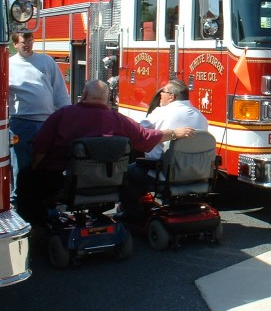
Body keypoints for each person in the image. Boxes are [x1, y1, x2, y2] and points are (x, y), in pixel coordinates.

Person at [16, 80, 195, 225]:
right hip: (109, 184)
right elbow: (146, 138)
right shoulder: (119, 120)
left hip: (64, 183)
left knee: (26, 177)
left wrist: (35, 167)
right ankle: (99, 212)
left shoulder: (62, 115)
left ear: (84, 95)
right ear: (107, 99)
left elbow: (40, 147)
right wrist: (174, 133)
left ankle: (39, 226)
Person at [120, 80, 209, 216]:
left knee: (126, 174)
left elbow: (138, 133)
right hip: (194, 174)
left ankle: (133, 214)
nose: (160, 94)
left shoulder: (161, 112)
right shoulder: (201, 117)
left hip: (162, 174)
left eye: (164, 92)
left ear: (172, 96)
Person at [8, 30, 71, 199]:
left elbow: (59, 91)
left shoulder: (46, 61)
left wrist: (67, 116)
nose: (27, 45)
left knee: (48, 166)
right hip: (21, 124)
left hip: (46, 122)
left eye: (30, 41)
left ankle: (47, 205)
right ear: (15, 44)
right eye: (23, 43)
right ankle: (20, 202)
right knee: (22, 167)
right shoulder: (8, 65)